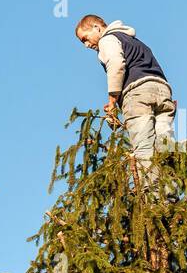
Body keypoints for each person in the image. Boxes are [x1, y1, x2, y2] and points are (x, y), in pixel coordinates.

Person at [75, 15, 176, 186]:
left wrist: (113, 102)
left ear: (96, 27)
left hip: (138, 95)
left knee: (144, 149)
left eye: (85, 38)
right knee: (164, 146)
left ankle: (153, 201)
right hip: (162, 90)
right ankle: (170, 197)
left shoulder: (107, 40)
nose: (86, 45)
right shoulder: (134, 41)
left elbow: (116, 64)